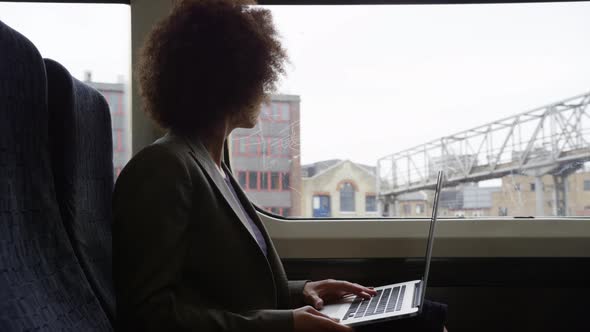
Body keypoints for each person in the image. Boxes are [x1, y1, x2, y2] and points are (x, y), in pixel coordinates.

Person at [112, 0, 448, 331]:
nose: (265, 90)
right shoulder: (164, 167)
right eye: (259, 76)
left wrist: (301, 291)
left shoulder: (215, 168)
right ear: (231, 79)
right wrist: (285, 324)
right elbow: (147, 316)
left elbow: (223, 290)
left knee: (424, 315)